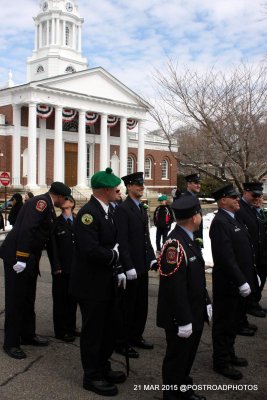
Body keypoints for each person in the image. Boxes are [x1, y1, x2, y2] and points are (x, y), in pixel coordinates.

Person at [70, 167, 126, 397]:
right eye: (115, 187)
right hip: (91, 285)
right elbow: (90, 250)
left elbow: (113, 241)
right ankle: (91, 376)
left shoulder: (107, 210)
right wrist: (114, 255)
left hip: (106, 282)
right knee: (93, 332)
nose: (118, 190)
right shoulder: (89, 213)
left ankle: (103, 366)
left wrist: (118, 264)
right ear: (104, 189)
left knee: (108, 329)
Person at [0, 182, 71, 360]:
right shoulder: (42, 203)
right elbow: (26, 229)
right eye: (65, 199)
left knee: (27, 298)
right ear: (60, 197)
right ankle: (11, 343)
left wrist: (55, 265)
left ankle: (27, 335)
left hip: (29, 260)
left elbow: (47, 238)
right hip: (18, 258)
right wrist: (22, 257)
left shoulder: (47, 205)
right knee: (16, 300)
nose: (65, 202)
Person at [157, 195, 211, 400]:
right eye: (199, 213)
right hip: (182, 316)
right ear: (194, 217)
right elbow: (174, 288)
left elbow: (194, 278)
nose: (200, 217)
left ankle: (183, 389)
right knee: (177, 358)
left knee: (186, 358)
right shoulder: (175, 244)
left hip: (193, 310)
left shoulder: (188, 239)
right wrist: (183, 320)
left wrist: (205, 301)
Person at [210, 184, 258, 380]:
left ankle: (229, 354)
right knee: (223, 323)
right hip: (227, 284)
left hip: (237, 283)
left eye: (237, 197)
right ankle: (221, 361)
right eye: (233, 197)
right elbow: (226, 258)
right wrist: (241, 281)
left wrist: (250, 274)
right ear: (223, 201)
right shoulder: (220, 222)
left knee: (232, 322)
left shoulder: (233, 220)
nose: (237, 200)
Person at [114, 172, 157, 359]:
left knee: (141, 304)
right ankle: (121, 342)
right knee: (127, 306)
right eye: (138, 184)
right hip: (131, 267)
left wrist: (152, 258)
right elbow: (122, 241)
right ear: (129, 187)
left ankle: (136, 336)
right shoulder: (123, 209)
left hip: (142, 265)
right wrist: (127, 266)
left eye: (142, 183)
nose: (141, 186)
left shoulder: (141, 208)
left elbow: (146, 237)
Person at [49, 195, 78, 342]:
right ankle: (60, 331)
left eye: (67, 200)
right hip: (61, 268)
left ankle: (71, 327)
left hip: (75, 268)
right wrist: (56, 265)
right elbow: (53, 247)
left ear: (72, 203)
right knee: (61, 300)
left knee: (72, 300)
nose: (64, 202)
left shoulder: (79, 221)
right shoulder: (56, 223)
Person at [236, 182, 266, 318]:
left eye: (260, 195)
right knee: (251, 281)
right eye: (255, 195)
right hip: (249, 254)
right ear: (245, 192)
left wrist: (260, 210)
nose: (257, 198)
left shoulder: (256, 209)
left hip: (261, 253)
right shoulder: (239, 209)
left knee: (260, 279)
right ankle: (249, 305)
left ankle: (254, 302)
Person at [183, 173, 203, 245]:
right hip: (190, 240)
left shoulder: (194, 198)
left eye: (199, 183)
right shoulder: (185, 199)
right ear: (189, 184)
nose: (199, 185)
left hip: (196, 239)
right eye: (196, 183)